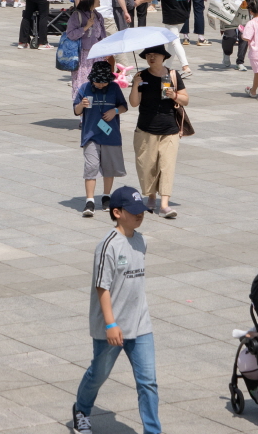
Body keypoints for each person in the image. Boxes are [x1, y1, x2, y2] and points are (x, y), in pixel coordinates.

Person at [69, 185, 160, 434]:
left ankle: (153, 431)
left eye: (141, 210)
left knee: (148, 382)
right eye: (133, 211)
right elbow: (102, 287)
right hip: (111, 327)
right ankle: (81, 411)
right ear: (117, 212)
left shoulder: (140, 240)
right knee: (98, 374)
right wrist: (110, 324)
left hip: (140, 324)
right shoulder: (108, 246)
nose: (139, 214)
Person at [130, 46, 185, 220]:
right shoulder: (141, 76)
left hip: (169, 129)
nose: (151, 58)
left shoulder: (173, 75)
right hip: (146, 128)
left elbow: (186, 99)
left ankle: (165, 205)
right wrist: (135, 85)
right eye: (148, 55)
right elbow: (133, 103)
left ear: (164, 57)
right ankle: (151, 196)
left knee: (167, 166)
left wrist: (174, 95)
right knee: (147, 166)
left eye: (155, 55)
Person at [75, 59, 129, 217]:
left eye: (103, 82)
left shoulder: (114, 88)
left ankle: (106, 196)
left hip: (110, 134)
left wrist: (115, 112)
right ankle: (89, 200)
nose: (99, 85)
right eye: (97, 82)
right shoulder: (84, 88)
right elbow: (76, 111)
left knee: (109, 167)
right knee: (91, 166)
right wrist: (81, 105)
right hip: (90, 135)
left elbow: (124, 106)